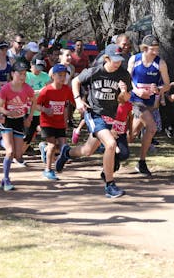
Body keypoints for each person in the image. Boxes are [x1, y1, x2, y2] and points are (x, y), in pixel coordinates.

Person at [54, 44, 132, 199]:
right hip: (94, 113)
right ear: (106, 58)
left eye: (120, 60)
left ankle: (66, 152)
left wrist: (124, 92)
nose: (117, 63)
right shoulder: (95, 71)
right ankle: (110, 185)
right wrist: (78, 101)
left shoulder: (123, 74)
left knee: (87, 151)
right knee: (110, 144)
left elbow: (123, 100)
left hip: (110, 116)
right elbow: (76, 81)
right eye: (114, 60)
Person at [127, 34, 170, 176]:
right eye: (153, 49)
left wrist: (158, 89)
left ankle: (116, 150)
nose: (156, 52)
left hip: (150, 102)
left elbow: (167, 85)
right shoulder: (135, 59)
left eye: (157, 49)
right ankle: (142, 161)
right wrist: (137, 91)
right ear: (144, 48)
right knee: (151, 128)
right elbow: (127, 79)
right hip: (135, 100)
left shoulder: (160, 63)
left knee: (132, 135)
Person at [0, 61, 35, 189]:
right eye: (20, 74)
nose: (22, 77)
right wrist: (8, 112)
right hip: (7, 121)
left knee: (18, 154)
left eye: (24, 74)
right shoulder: (6, 89)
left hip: (19, 121)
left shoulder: (27, 88)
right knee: (10, 151)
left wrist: (29, 116)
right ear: (13, 74)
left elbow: (34, 101)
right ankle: (6, 179)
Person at [37, 64, 74, 180]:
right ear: (53, 76)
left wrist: (82, 107)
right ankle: (48, 169)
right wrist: (45, 109)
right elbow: (36, 105)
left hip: (60, 122)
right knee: (52, 145)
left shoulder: (66, 90)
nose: (62, 78)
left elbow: (73, 102)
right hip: (47, 122)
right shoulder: (46, 90)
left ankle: (45, 149)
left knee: (63, 147)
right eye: (60, 75)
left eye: (64, 76)